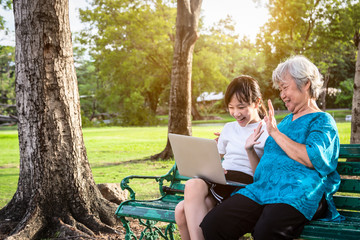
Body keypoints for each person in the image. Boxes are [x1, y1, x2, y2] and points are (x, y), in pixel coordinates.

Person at [200, 55, 342, 240]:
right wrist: (248, 148)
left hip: (298, 191)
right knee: (214, 223)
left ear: (306, 83)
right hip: (264, 189)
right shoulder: (283, 124)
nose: (282, 94)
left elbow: (312, 157)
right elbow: (264, 165)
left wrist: (275, 133)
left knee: (266, 231)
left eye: (285, 87)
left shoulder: (322, 121)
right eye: (280, 89)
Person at [175, 75, 269, 240]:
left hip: (244, 185)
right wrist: (211, 163)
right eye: (231, 107)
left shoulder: (267, 130)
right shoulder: (229, 128)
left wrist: (250, 150)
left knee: (181, 211)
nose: (236, 113)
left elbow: (263, 174)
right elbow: (216, 156)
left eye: (241, 107)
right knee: (192, 185)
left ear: (257, 103)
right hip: (222, 180)